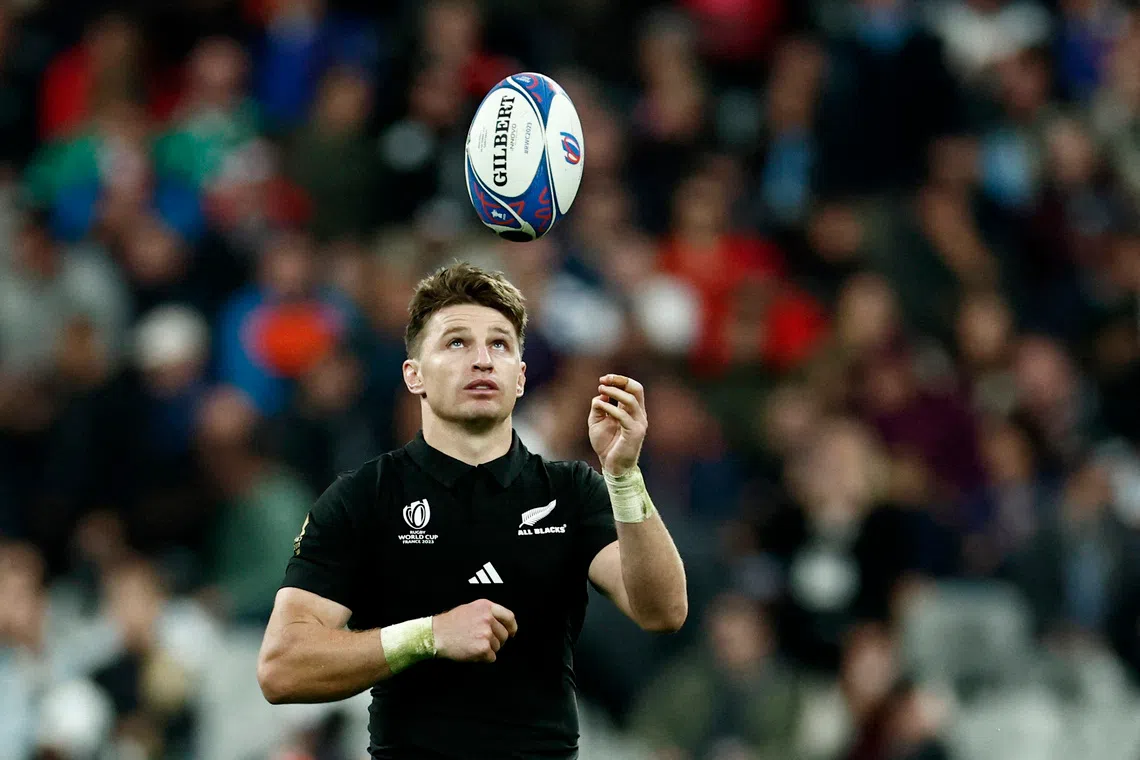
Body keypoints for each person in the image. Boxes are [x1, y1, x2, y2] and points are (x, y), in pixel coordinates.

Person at [256, 261, 689, 759]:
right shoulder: (363, 498)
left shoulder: (573, 491)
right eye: (457, 342)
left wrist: (624, 475)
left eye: (500, 344)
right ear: (413, 375)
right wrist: (427, 635)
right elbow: (281, 667)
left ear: (521, 378)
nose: (482, 360)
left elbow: (664, 609)